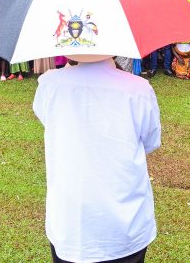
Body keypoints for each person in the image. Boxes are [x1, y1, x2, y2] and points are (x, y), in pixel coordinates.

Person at [33, 54, 161, 263]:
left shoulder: (49, 84)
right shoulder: (138, 89)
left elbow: (49, 121)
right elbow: (150, 141)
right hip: (125, 223)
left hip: (69, 222)